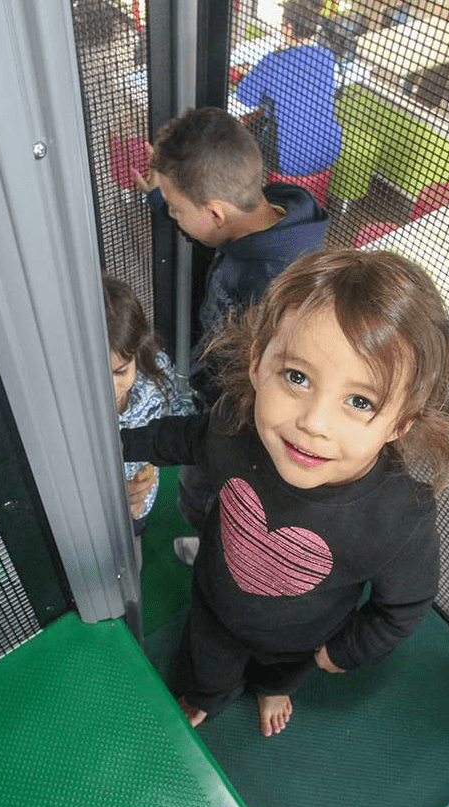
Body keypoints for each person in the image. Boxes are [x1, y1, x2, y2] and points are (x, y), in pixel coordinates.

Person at [120, 248, 449, 736]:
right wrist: (117, 442)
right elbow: (183, 437)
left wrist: (346, 650)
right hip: (215, 600)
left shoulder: (399, 514)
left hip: (301, 638)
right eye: (297, 377)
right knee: (205, 663)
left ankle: (272, 688)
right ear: (257, 363)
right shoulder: (235, 426)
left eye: (359, 400)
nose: (313, 422)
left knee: (280, 674)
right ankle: (208, 695)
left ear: (402, 421)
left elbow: (405, 604)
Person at [134, 105, 330, 536]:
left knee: (206, 493)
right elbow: (207, 230)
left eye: (174, 208)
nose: (173, 216)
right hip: (221, 389)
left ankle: (213, 546)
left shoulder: (272, 289)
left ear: (216, 212)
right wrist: (161, 194)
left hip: (234, 420)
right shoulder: (269, 213)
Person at [102, 272, 192, 535]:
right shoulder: (69, 417)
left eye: (120, 372)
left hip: (143, 500)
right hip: (96, 514)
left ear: (136, 353)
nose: (110, 387)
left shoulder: (157, 373)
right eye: (97, 376)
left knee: (134, 546)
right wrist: (115, 497)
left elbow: (177, 413)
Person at [233, 0, 344, 206]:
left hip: (289, 154)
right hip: (327, 147)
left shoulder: (274, 61)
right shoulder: (327, 57)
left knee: (253, 132)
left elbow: (246, 97)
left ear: (289, 27)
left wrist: (252, 73)